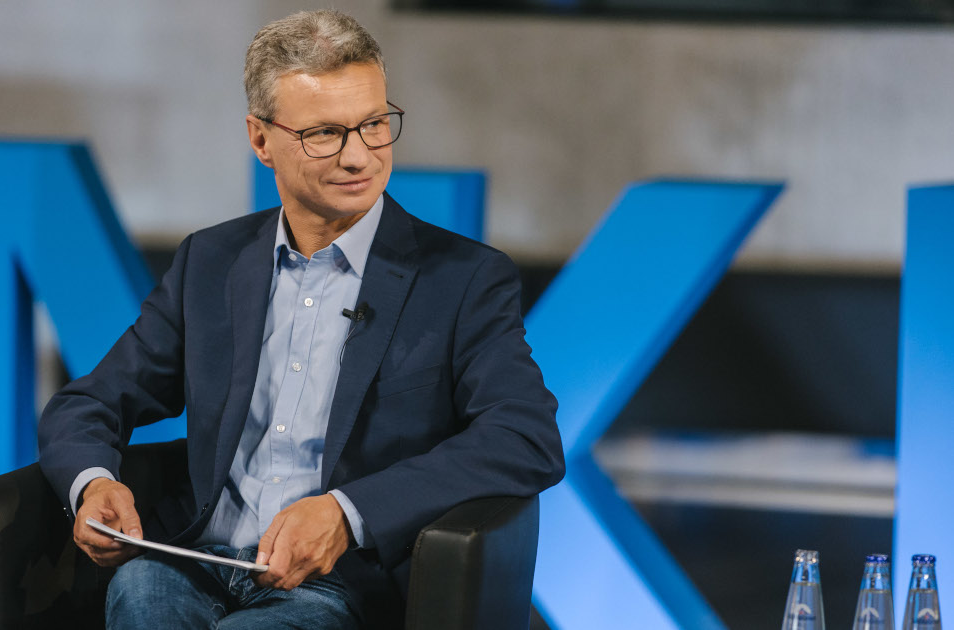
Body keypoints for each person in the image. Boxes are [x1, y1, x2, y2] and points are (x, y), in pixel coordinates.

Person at [37, 9, 564, 630]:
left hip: (338, 584)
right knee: (140, 597)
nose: (358, 156)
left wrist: (347, 512)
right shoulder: (212, 261)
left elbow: (525, 436)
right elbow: (90, 401)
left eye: (373, 125)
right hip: (190, 558)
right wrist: (94, 484)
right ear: (262, 141)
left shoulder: (462, 279)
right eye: (325, 134)